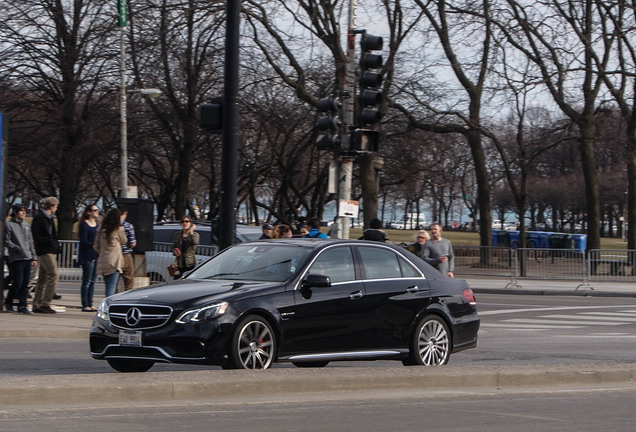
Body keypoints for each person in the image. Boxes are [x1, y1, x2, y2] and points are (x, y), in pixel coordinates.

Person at [4, 204, 37, 314]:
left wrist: (33, 257)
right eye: (21, 211)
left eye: (24, 211)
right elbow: (7, 240)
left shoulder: (26, 226)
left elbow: (30, 242)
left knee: (25, 283)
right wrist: (16, 248)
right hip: (16, 257)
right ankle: (9, 301)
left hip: (27, 257)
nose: (24, 213)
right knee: (18, 281)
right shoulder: (9, 225)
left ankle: (22, 305)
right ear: (15, 212)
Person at [31, 197, 61, 314]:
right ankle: (45, 302)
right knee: (53, 274)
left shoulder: (49, 218)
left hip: (48, 249)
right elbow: (37, 234)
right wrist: (49, 242)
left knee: (42, 278)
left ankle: (36, 303)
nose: (56, 209)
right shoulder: (40, 218)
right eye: (56, 206)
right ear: (52, 206)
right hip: (44, 250)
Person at [94, 208, 127, 297]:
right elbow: (124, 241)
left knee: (108, 285)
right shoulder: (118, 229)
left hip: (103, 259)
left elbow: (96, 245)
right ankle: (108, 306)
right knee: (111, 286)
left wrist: (101, 252)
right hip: (114, 261)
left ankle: (108, 304)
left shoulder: (101, 229)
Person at [78, 205, 99, 312]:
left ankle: (90, 303)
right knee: (87, 280)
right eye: (94, 210)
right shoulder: (84, 225)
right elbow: (84, 240)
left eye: (97, 210)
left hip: (96, 255)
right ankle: (85, 304)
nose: (97, 212)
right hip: (87, 255)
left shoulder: (97, 225)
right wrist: (93, 245)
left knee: (93, 281)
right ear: (88, 212)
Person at [118, 206, 137, 292]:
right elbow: (132, 243)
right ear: (125, 213)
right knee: (129, 281)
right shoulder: (128, 226)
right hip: (126, 254)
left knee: (114, 282)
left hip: (114, 256)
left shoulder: (110, 226)